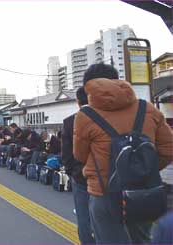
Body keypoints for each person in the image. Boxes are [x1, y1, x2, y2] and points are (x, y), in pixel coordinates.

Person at [73, 63, 173, 244]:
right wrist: (141, 169)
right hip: (143, 191)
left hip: (102, 193)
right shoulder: (148, 108)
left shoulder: (85, 115)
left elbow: (79, 156)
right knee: (143, 240)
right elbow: (168, 150)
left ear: (89, 87)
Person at [61, 86, 94, 245]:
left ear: (77, 101)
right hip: (106, 176)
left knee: (83, 216)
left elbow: (66, 153)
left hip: (80, 175)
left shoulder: (69, 121)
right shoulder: (106, 117)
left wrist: (71, 171)